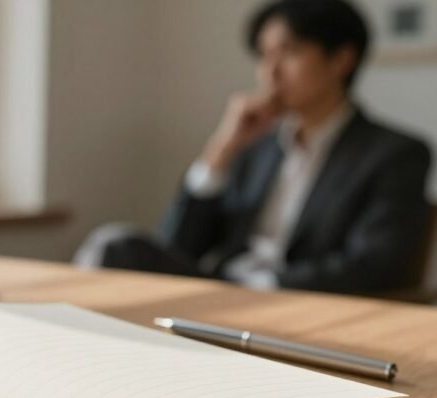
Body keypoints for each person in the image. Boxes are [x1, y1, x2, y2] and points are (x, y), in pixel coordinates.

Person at [74, 0, 433, 294]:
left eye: (289, 52)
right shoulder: (255, 146)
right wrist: (221, 150)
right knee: (116, 244)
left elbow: (378, 265)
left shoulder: (395, 153)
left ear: (341, 59)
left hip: (298, 302)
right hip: (222, 292)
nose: (270, 72)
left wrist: (262, 284)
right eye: (264, 56)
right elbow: (179, 246)